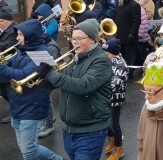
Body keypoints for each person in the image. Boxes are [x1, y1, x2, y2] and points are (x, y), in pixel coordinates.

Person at [37, 18, 112, 160]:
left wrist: (50, 74)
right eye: (73, 38)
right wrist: (43, 77)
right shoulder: (74, 58)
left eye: (79, 38)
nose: (74, 42)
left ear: (92, 40)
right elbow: (63, 83)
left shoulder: (101, 61)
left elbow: (83, 86)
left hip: (90, 130)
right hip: (69, 129)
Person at [0, 19, 63, 160]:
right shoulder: (21, 51)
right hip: (17, 105)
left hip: (32, 107)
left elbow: (22, 75)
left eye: (21, 34)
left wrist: (3, 69)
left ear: (30, 35)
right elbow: (7, 75)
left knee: (29, 150)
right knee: (24, 148)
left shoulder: (42, 54)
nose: (17, 38)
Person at [102, 38, 128, 160]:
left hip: (115, 98)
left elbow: (115, 84)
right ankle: (111, 141)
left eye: (107, 54)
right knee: (106, 121)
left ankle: (119, 149)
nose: (105, 56)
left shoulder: (121, 65)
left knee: (114, 124)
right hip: (106, 97)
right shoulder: (110, 61)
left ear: (114, 53)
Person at [114, 0, 141, 78]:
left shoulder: (135, 5)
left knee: (130, 54)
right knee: (121, 54)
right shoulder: (119, 4)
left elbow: (136, 21)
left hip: (130, 35)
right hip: (119, 34)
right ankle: (122, 70)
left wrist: (132, 33)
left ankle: (130, 72)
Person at [0, 7, 17, 123]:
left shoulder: (14, 30)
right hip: (5, 63)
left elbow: (8, 45)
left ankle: (15, 112)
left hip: (11, 63)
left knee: (8, 89)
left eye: (1, 21)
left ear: (9, 20)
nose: (0, 23)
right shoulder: (6, 29)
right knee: (3, 89)